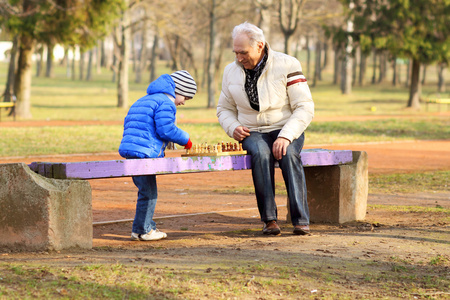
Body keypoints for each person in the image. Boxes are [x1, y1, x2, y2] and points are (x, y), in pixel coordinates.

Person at [217, 22, 314, 236]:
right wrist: (233, 127)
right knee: (261, 154)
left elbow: (305, 107)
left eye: (243, 52)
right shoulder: (230, 71)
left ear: (260, 46)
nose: (239, 57)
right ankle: (269, 220)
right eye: (235, 52)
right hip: (252, 131)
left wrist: (286, 136)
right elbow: (224, 108)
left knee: (288, 155)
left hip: (285, 127)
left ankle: (301, 220)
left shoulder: (287, 64)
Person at [119, 70, 197, 241]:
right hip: (145, 154)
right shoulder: (165, 103)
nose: (183, 103)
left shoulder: (144, 100)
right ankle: (143, 231)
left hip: (133, 151)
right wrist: (186, 140)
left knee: (145, 191)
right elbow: (166, 129)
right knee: (149, 193)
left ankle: (144, 226)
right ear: (179, 90)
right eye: (186, 98)